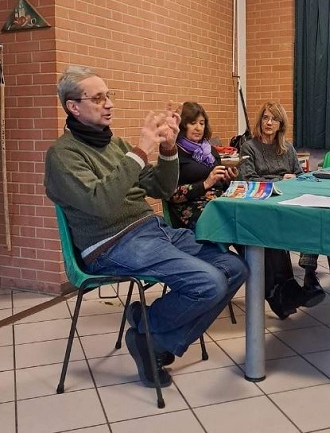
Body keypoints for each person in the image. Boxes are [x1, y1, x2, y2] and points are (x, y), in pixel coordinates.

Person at [45, 66, 249, 389]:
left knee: (236, 268)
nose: (109, 103)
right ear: (73, 107)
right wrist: (140, 151)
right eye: (97, 98)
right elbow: (102, 203)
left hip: (151, 230)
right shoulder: (62, 156)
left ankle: (149, 335)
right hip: (111, 244)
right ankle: (152, 336)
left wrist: (168, 148)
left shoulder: (116, 145)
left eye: (108, 95)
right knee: (209, 283)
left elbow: (162, 188)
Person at [239, 101, 330, 318]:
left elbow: (301, 175)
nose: (269, 123)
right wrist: (280, 180)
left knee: (317, 212)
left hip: (291, 198)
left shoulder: (287, 147)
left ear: (281, 123)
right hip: (266, 201)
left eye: (274, 119)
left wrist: (297, 179)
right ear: (260, 121)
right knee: (301, 221)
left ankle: (323, 265)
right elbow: (248, 180)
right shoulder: (249, 147)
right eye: (265, 118)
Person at [166, 101, 238, 229]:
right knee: (228, 220)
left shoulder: (210, 150)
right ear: (183, 126)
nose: (198, 128)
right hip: (191, 206)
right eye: (193, 123)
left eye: (202, 123)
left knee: (247, 211)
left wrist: (229, 180)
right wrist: (206, 184)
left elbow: (221, 185)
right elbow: (171, 194)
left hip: (218, 200)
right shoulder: (174, 153)